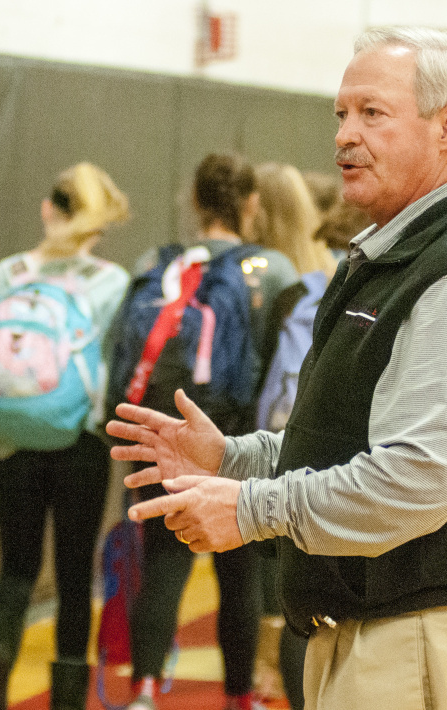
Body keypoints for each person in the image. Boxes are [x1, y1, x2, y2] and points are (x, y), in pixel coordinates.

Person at [108, 26, 447, 710]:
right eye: (341, 115)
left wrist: (253, 508)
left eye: (372, 113)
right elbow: (356, 447)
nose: (346, 135)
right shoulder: (400, 259)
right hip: (385, 640)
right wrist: (234, 459)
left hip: (426, 643)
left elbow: (416, 478)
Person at [120, 154, 297, 710]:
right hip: (235, 440)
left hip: (162, 434)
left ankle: (145, 689)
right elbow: (279, 367)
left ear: (194, 201)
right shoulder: (274, 270)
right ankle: (240, 695)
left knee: (162, 562)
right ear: (250, 204)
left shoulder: (156, 261)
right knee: (238, 572)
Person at [0, 162, 131, 710]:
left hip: (7, 443)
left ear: (47, 209)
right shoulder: (110, 282)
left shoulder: (4, 273)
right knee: (74, 572)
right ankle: (66, 701)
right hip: (78, 442)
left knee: (16, 567)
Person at [248, 163, 334, 707]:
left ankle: (257, 675)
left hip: (267, 446)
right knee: (307, 596)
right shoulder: (330, 275)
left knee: (266, 588)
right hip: (328, 449)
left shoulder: (271, 282)